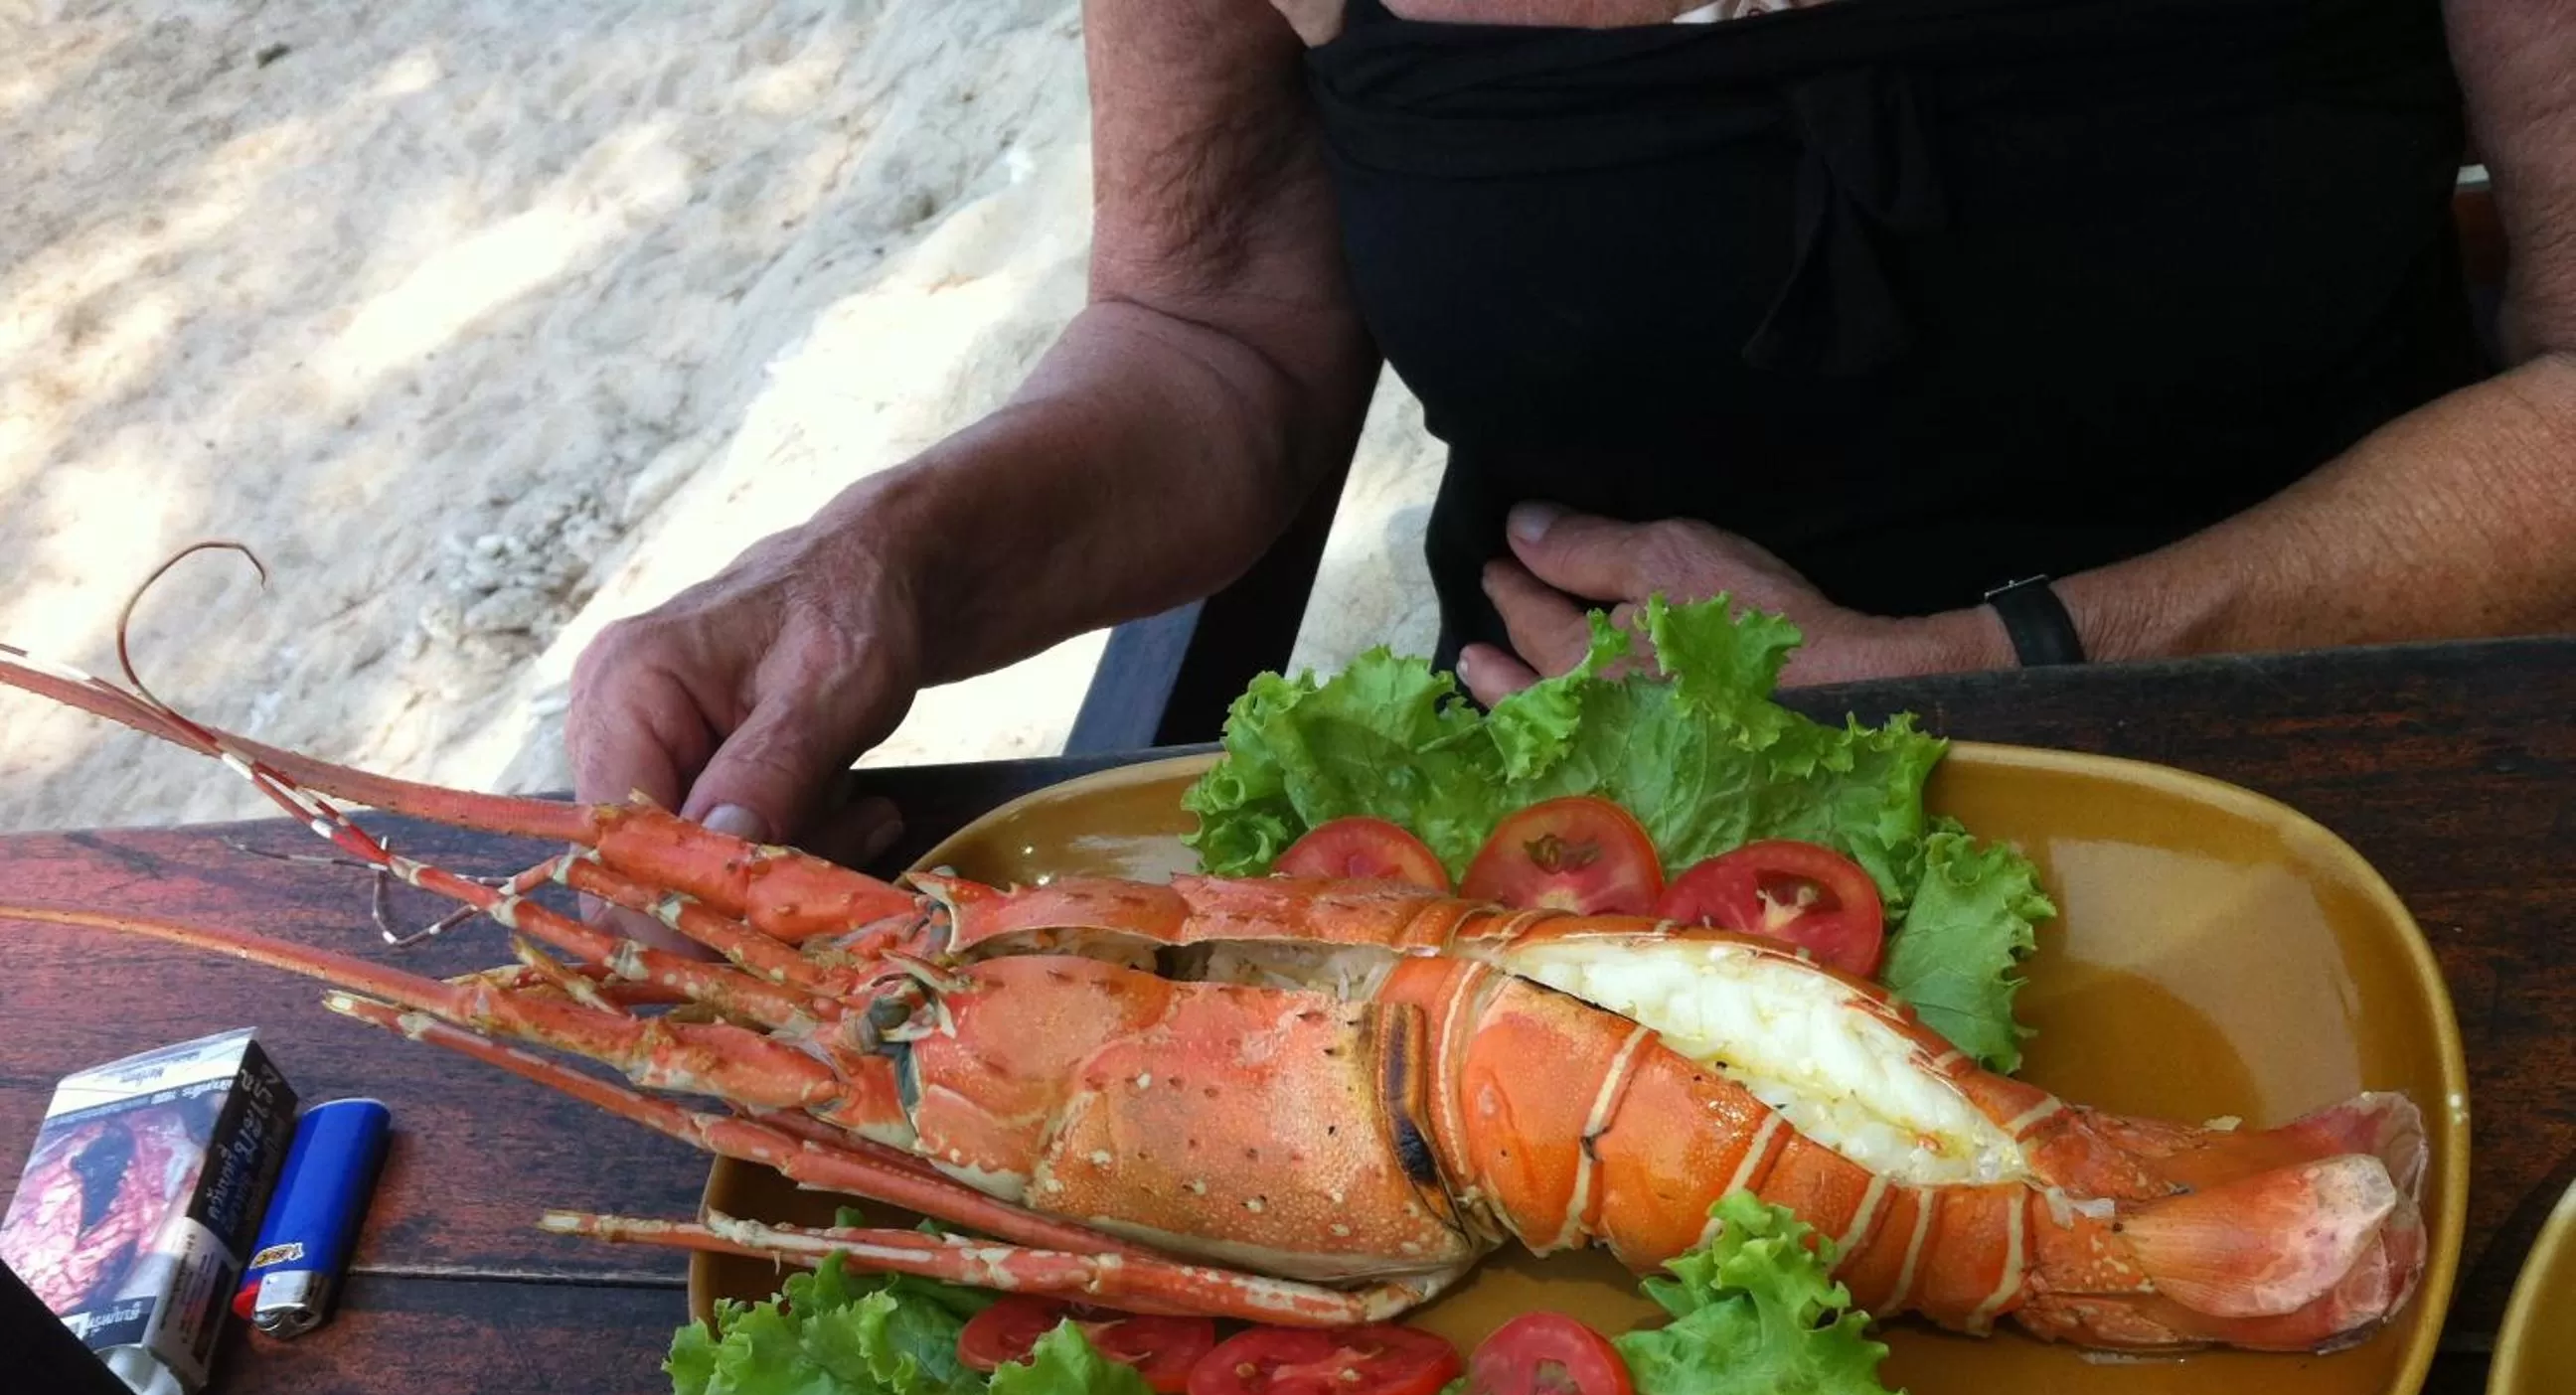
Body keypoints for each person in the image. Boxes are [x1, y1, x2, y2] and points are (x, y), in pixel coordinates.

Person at [567, 0, 2575, 860]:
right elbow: (1212, 332)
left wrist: (2005, 673)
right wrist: (879, 565)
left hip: (2347, 777)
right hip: (1595, 886)